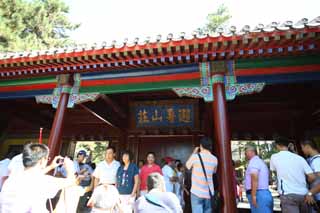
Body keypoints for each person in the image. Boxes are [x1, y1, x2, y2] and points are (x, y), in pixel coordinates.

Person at [0, 143, 77, 212]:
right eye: (47, 159)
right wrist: (70, 168)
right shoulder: (45, 181)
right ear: (42, 160)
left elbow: (32, 177)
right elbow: (71, 181)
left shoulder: (11, 179)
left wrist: (51, 166)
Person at [270, 137, 316, 213]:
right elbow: (312, 177)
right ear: (288, 145)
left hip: (288, 195)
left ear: (277, 145)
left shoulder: (274, 157)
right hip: (304, 195)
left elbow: (273, 170)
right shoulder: (300, 158)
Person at [186, 137, 218, 213]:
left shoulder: (195, 157)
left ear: (201, 146)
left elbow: (187, 166)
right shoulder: (214, 159)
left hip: (196, 192)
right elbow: (214, 171)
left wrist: (194, 152)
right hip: (209, 192)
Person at [244, 145, 274, 213]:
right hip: (262, 193)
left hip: (259, 194)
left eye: (246, 152)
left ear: (252, 152)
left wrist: (253, 196)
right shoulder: (260, 161)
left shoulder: (254, 161)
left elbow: (254, 177)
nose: (245, 155)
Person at [301, 138, 320, 211]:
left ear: (307, 146)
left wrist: (310, 193)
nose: (302, 150)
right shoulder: (313, 160)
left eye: (302, 147)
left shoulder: (317, 161)